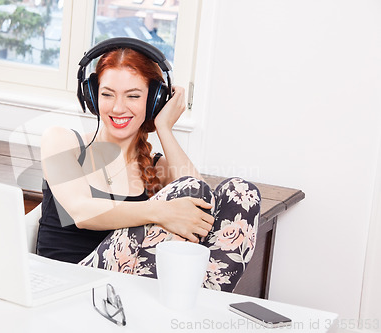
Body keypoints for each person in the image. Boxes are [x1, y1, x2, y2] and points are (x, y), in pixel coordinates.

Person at [37, 39, 261, 292]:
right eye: (107, 94)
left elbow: (203, 207)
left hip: (129, 290)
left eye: (133, 96)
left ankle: (197, 302)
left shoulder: (156, 167)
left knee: (241, 192)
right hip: (69, 283)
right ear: (91, 96)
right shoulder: (62, 141)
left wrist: (164, 127)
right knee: (187, 191)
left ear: (154, 101)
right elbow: (82, 212)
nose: (118, 107)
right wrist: (161, 211)